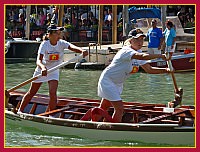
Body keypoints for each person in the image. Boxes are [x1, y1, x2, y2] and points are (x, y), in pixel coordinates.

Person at [96, 28, 171, 123]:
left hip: (117, 83)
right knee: (119, 109)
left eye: (142, 40)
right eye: (137, 39)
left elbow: (149, 69)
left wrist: (166, 70)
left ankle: (92, 123)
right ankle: (113, 129)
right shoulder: (126, 51)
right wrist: (160, 56)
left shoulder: (138, 52)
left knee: (104, 106)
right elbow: (142, 56)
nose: (140, 42)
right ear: (130, 40)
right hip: (108, 81)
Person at [18, 24, 88, 115]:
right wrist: (43, 68)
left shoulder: (62, 43)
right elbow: (38, 61)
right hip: (42, 70)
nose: (58, 34)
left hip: (54, 70)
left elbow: (72, 47)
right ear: (49, 35)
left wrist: (82, 50)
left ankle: (51, 115)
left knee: (52, 93)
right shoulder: (45, 45)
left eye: (59, 33)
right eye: (56, 33)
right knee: (32, 92)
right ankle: (20, 110)